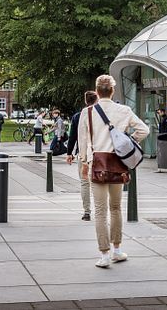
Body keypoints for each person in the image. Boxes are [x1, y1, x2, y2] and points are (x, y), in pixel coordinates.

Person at [78, 75, 149, 268]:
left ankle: (104, 254)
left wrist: (84, 162)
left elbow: (83, 140)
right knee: (116, 208)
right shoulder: (124, 110)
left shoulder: (88, 112)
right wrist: (128, 142)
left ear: (97, 90)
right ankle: (117, 249)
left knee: (100, 210)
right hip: (118, 163)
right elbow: (144, 130)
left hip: (97, 164)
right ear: (113, 90)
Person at [66, 90, 98, 221]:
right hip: (99, 154)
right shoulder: (100, 115)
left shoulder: (78, 116)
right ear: (96, 100)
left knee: (85, 183)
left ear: (86, 101)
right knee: (98, 183)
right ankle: (100, 210)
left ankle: (87, 212)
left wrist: (69, 153)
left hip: (83, 154)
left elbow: (72, 136)